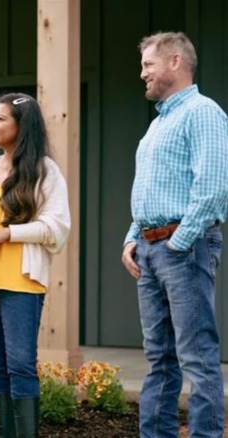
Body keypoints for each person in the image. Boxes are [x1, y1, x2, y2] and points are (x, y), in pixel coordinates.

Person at [121, 31, 228, 438]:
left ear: (175, 62)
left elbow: (213, 187)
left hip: (183, 248)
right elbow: (149, 190)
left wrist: (178, 242)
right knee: (159, 360)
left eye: (148, 64)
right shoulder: (158, 124)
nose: (142, 73)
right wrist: (133, 237)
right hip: (149, 250)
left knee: (197, 358)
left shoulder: (202, 112)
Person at [0, 93, 71, 438]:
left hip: (21, 281)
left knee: (20, 366)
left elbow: (57, 228)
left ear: (22, 126)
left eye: (1, 119)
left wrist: (6, 235)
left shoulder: (45, 172)